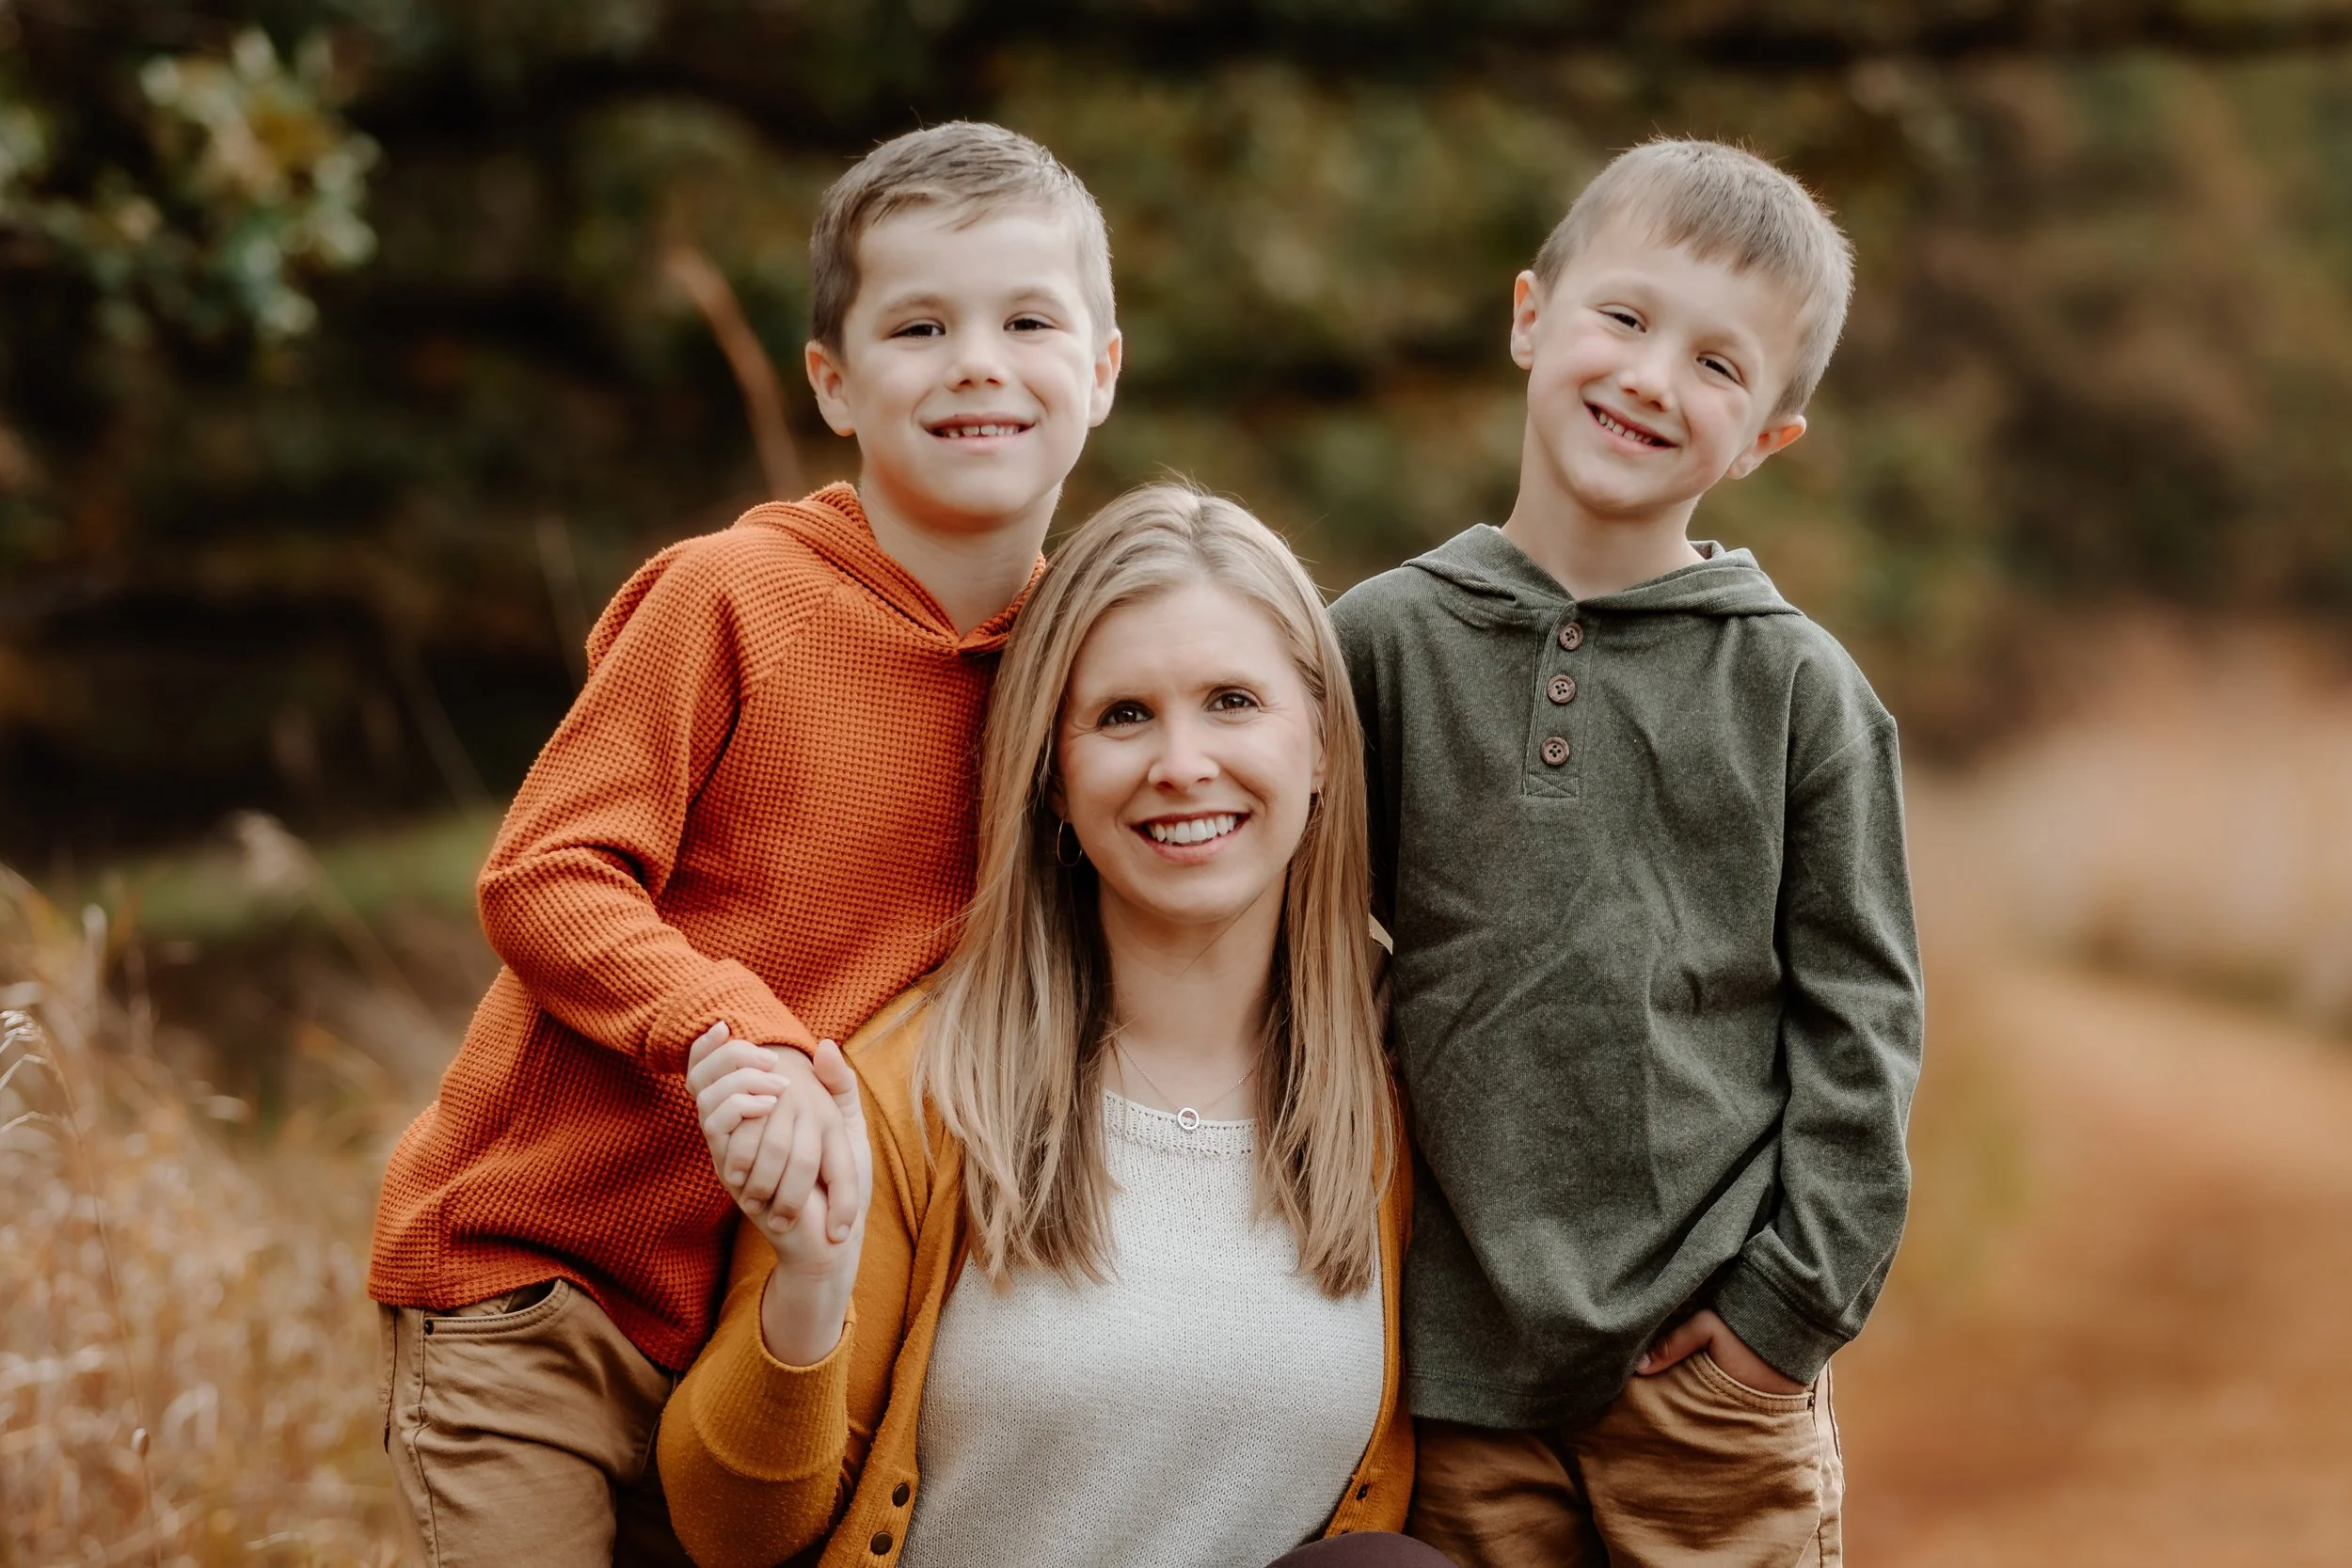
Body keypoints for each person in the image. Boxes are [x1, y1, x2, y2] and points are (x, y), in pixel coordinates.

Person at [366, 120, 1123, 1565]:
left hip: (779, 1323)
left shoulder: (1083, 667)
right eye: (920, 324)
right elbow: (545, 872)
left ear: (1100, 368)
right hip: (542, 1282)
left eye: (1029, 319)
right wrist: (734, 1029)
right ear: (832, 383)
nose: (977, 359)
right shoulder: (735, 596)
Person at [658, 485, 1450, 1568]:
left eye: (1231, 700)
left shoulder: (1391, 1100)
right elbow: (728, 1532)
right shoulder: (920, 1086)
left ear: (1318, 744)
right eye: (1124, 714)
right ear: (1054, 778)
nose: (1181, 762)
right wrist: (809, 1283)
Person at [1329, 139, 1926, 1566]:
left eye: (1721, 366)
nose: (1655, 378)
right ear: (1532, 315)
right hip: (1454, 1359)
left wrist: (1786, 1317)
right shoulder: (1374, 644)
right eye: (1626, 318)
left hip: (1707, 1374)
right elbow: (1297, 955)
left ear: (1769, 437)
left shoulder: (1801, 691)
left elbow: (1867, 1023)